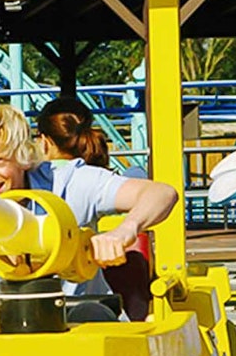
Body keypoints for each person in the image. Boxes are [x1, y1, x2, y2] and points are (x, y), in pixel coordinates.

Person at [0, 103, 179, 325]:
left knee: (91, 315)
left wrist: (125, 230)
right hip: (6, 319)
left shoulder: (68, 182)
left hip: (76, 314)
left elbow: (162, 194)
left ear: (22, 158)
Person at [37, 96, 152, 320]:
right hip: (85, 302)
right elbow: (146, 183)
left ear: (44, 141)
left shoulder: (69, 178)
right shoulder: (92, 179)